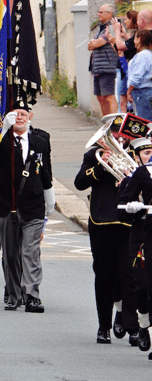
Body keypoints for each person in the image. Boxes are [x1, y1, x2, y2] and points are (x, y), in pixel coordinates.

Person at [77, 114, 138, 345]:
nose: (119, 138)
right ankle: (104, 326)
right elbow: (80, 182)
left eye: (123, 133)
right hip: (102, 221)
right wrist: (103, 167)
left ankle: (132, 325)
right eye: (115, 133)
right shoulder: (94, 155)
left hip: (129, 223)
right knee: (104, 277)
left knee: (129, 276)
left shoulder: (137, 155)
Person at [0, 102, 54, 312]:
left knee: (30, 251)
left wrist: (49, 194)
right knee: (10, 253)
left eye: (23, 114)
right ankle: (13, 294)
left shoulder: (41, 139)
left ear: (31, 116)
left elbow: (45, 170)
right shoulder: (2, 141)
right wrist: (3, 130)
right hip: (7, 202)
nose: (19, 117)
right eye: (15, 114)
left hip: (33, 203)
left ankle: (32, 294)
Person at [118, 136, 152, 354]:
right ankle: (144, 324)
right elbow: (122, 203)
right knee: (142, 285)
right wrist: (134, 206)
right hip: (143, 232)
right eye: (147, 152)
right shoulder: (141, 174)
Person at [89, 4, 119, 116]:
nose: (98, 14)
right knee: (101, 98)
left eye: (101, 12)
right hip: (98, 68)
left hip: (108, 67)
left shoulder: (111, 27)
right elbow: (90, 45)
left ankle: (113, 125)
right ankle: (106, 125)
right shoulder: (101, 28)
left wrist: (95, 43)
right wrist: (94, 43)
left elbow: (96, 43)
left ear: (109, 14)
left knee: (109, 96)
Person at [126, 29, 152, 120]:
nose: (133, 40)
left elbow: (137, 76)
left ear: (139, 39)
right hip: (145, 92)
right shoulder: (148, 54)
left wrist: (129, 91)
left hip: (142, 92)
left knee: (144, 122)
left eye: (135, 37)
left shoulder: (142, 56)